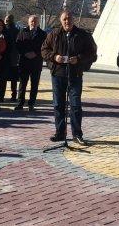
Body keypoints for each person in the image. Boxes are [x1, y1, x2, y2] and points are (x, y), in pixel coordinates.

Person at [41, 10, 98, 144]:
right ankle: (60, 133)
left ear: (74, 20)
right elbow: (44, 50)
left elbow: (92, 53)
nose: (67, 21)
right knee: (58, 105)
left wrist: (78, 59)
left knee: (75, 105)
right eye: (65, 19)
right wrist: (54, 57)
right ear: (61, 21)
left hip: (75, 75)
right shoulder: (54, 34)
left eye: (69, 19)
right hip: (58, 74)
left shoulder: (83, 35)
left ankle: (77, 134)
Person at [15, 15, 47, 112]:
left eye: (35, 21)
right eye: (32, 21)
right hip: (24, 62)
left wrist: (36, 54)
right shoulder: (22, 31)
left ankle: (31, 104)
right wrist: (25, 53)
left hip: (36, 62)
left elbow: (44, 47)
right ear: (28, 22)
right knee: (22, 84)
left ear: (38, 23)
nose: (33, 23)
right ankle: (20, 103)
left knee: (34, 84)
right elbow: (18, 44)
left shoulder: (43, 34)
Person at [4, 14, 20, 101]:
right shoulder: (16, 30)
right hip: (12, 57)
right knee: (11, 78)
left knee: (6, 78)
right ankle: (13, 95)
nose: (6, 20)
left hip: (9, 57)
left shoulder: (5, 30)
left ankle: (4, 95)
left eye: (7, 19)